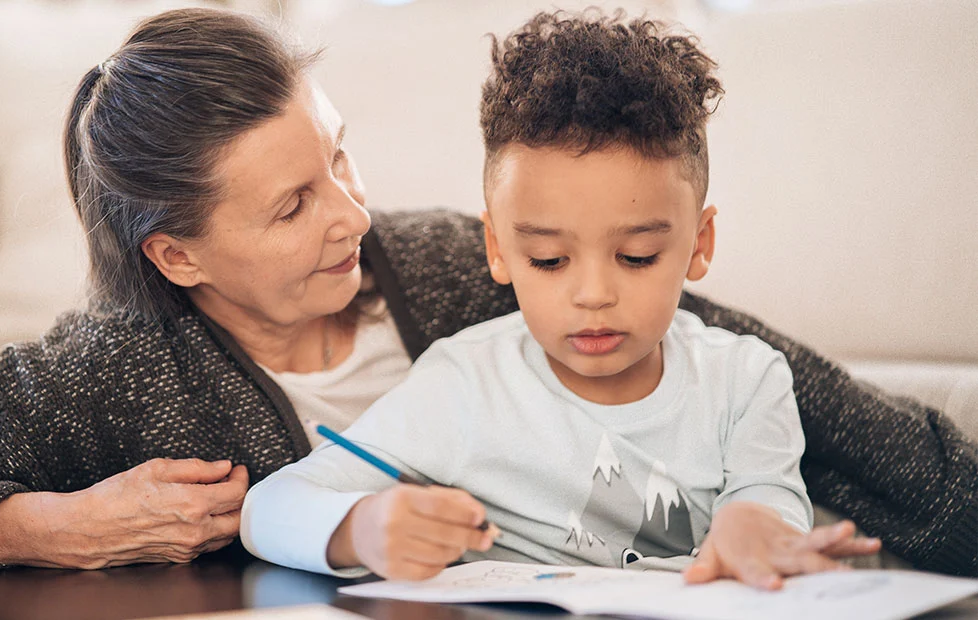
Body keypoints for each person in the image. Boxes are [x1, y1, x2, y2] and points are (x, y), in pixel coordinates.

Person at [0, 7, 973, 578]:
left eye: (341, 159)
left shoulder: (447, 263)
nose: (352, 216)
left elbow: (752, 358)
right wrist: (49, 524)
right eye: (290, 207)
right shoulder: (110, 368)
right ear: (180, 257)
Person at [239, 11, 882, 590]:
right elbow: (268, 508)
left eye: (637, 257)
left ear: (698, 243)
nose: (594, 295)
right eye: (548, 260)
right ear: (497, 249)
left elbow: (769, 497)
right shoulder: (462, 386)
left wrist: (753, 525)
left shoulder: (746, 380)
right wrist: (363, 525)